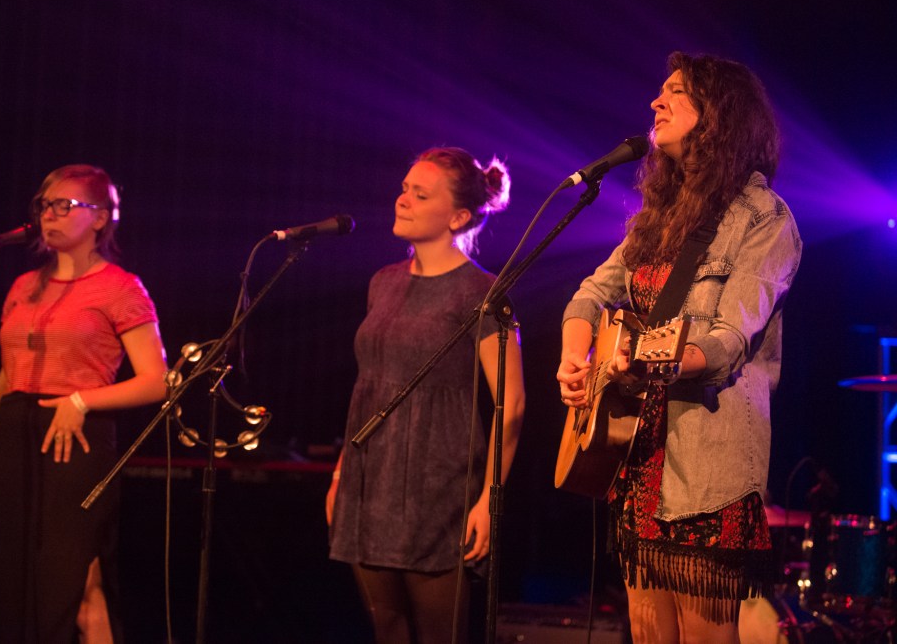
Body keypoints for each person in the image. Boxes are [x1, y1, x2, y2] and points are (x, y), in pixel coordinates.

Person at [557, 52, 802, 643]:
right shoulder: (659, 217)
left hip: (709, 465)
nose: (655, 102)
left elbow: (725, 342)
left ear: (717, 115)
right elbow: (590, 295)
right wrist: (576, 357)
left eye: (675, 92)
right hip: (639, 456)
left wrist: (643, 354)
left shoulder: (764, 219)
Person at [0, 164, 168, 643]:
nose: (49, 215)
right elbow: (4, 381)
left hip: (75, 441)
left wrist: (82, 399)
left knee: (75, 585)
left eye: (65, 205)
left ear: (100, 219)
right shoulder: (22, 286)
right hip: (14, 437)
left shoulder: (120, 287)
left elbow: (160, 382)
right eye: (44, 205)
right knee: (14, 587)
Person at [326, 147, 526, 644]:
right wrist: (339, 474)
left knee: (442, 635)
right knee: (386, 629)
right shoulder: (383, 282)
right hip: (369, 480)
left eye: (420, 194)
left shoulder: (481, 291)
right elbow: (367, 383)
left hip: (439, 486)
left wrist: (488, 499)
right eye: (404, 189)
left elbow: (512, 402)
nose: (403, 200)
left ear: (459, 216)